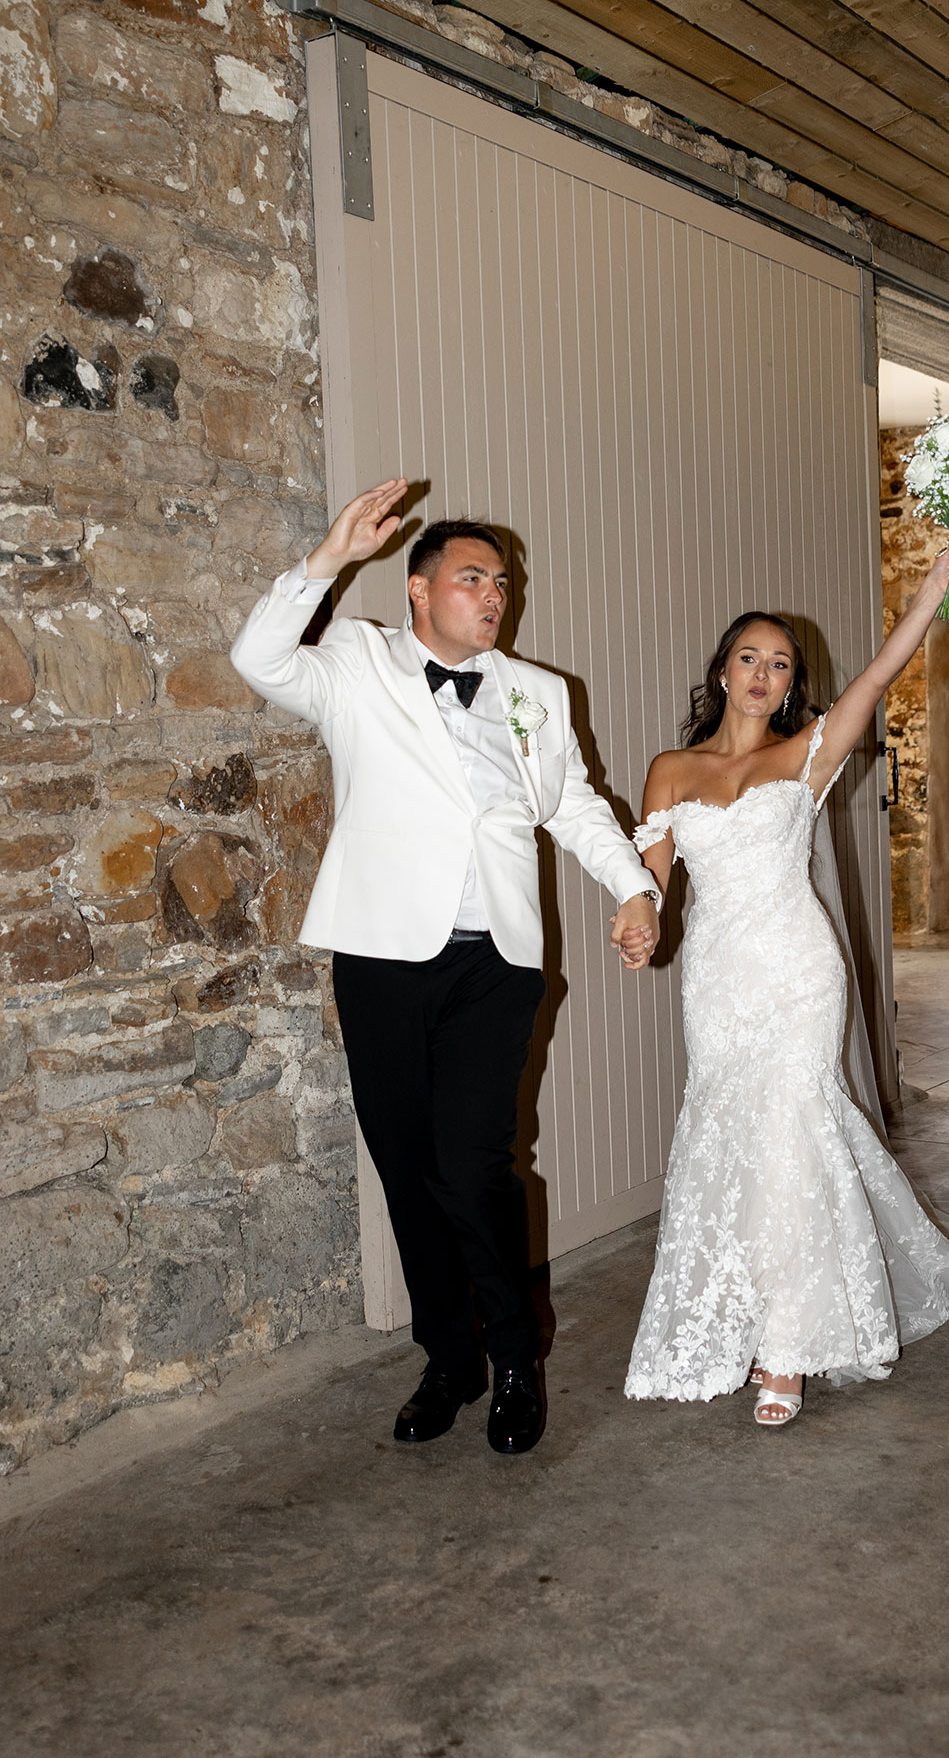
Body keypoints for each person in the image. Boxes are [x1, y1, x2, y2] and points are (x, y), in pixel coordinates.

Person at [231, 480, 661, 1455]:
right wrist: (327, 560)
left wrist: (632, 889)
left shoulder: (537, 695)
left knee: (475, 1165)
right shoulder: (356, 662)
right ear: (420, 590)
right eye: (473, 578)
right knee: (409, 1169)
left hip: (496, 964)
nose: (493, 595)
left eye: (501, 583)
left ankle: (513, 1357)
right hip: (382, 959)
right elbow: (256, 657)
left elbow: (577, 806)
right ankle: (447, 1358)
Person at [624, 546, 949, 1425]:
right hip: (719, 976)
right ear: (722, 669)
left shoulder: (808, 755)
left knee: (792, 1133)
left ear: (789, 685)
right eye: (750, 657)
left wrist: (935, 588)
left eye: (780, 664)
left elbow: (885, 670)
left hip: (798, 968)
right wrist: (642, 918)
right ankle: (731, 1321)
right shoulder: (670, 768)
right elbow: (654, 880)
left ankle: (791, 1347)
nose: (763, 674)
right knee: (728, 1133)